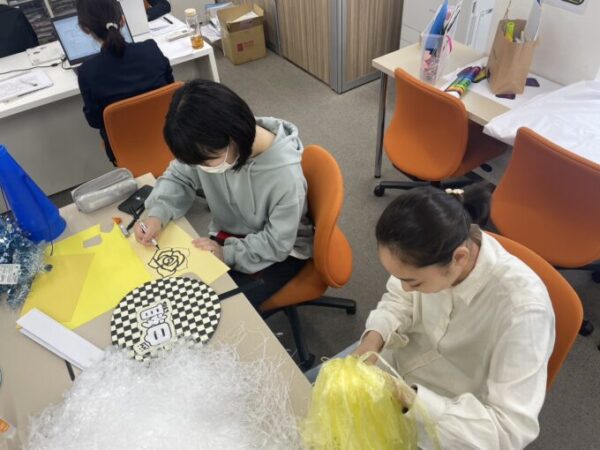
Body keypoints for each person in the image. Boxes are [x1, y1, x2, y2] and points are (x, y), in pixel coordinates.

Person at [306, 185, 555, 450]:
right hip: (392, 369)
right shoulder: (427, 254)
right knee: (307, 407)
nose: (405, 288)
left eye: (413, 282)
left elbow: (507, 431)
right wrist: (372, 340)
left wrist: (411, 399)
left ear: (460, 258)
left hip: (449, 422)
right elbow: (399, 299)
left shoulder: (523, 312)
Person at [136, 80, 313, 308]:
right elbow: (179, 175)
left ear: (232, 140)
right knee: (175, 292)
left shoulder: (285, 177)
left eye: (205, 162)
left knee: (218, 308)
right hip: (230, 236)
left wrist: (226, 253)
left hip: (280, 250)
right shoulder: (214, 143)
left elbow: (277, 243)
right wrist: (157, 214)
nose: (201, 167)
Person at [76, 0, 174, 164]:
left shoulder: (87, 71)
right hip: (173, 139)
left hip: (125, 153)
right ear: (122, 20)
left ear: (85, 29)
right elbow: (172, 91)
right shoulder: (151, 49)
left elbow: (95, 121)